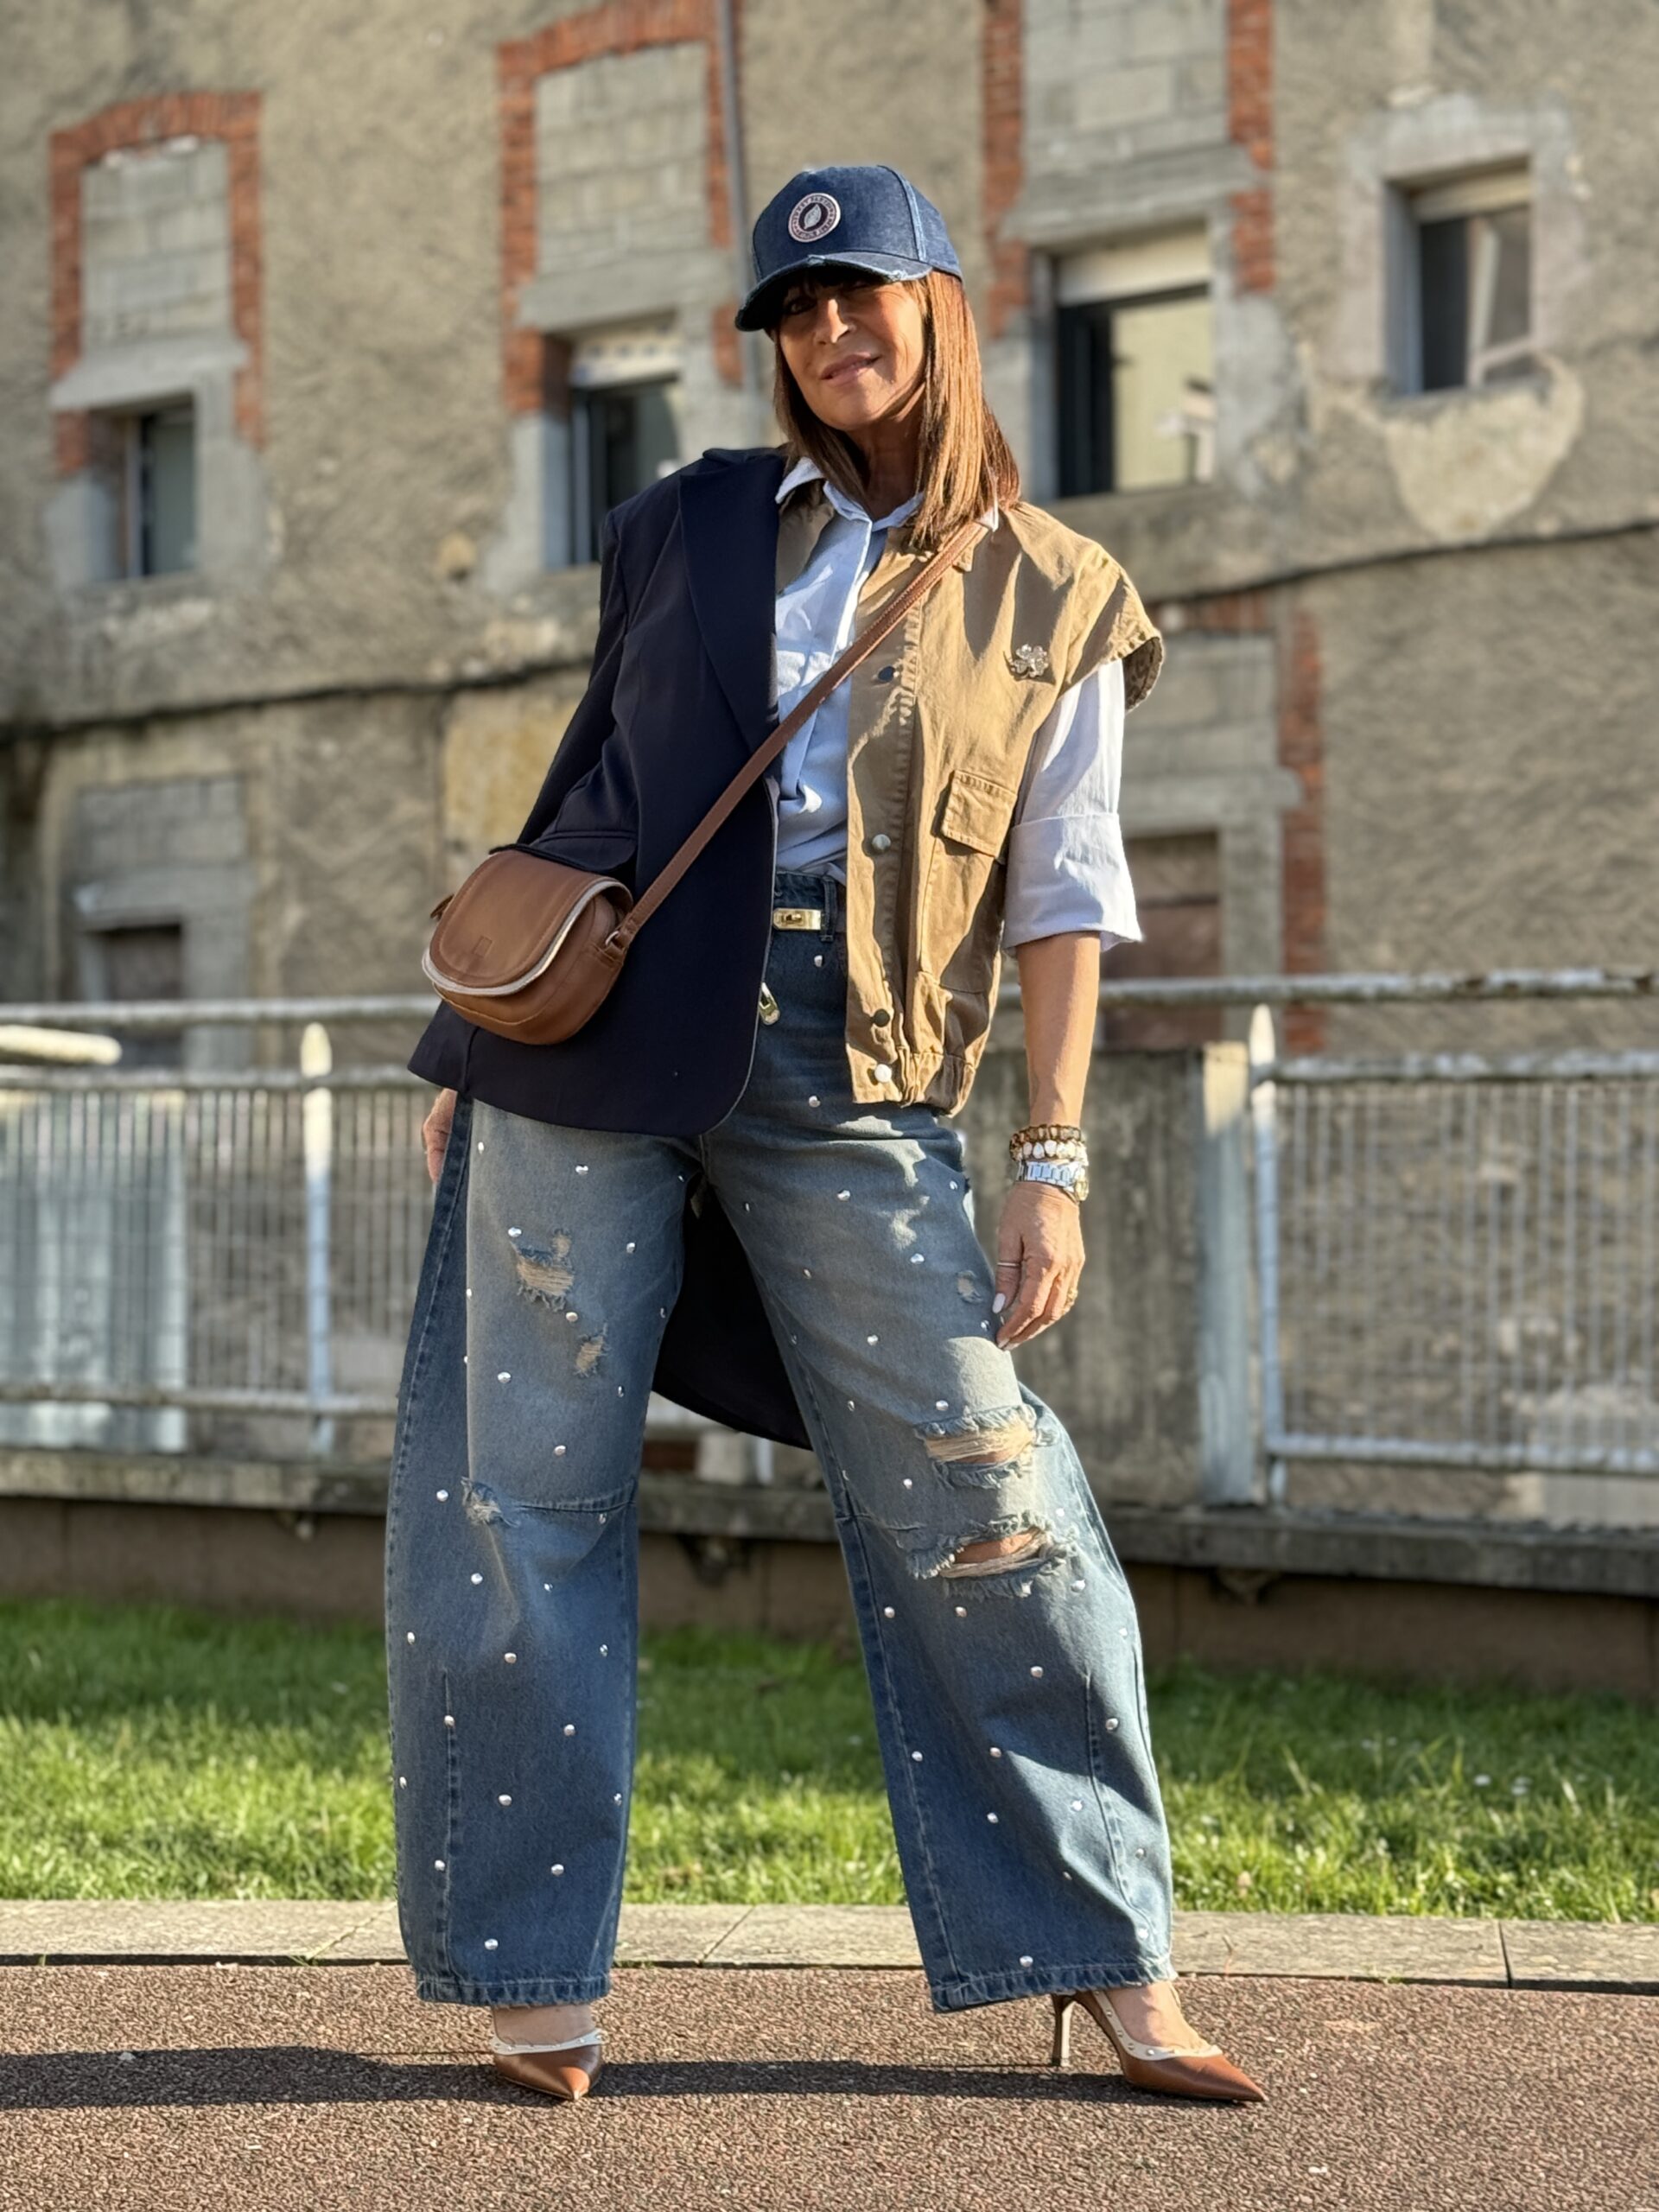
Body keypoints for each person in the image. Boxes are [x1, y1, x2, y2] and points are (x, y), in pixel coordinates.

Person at [387, 163, 1266, 2107]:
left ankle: (1104, 1950)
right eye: (795, 309)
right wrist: (471, 1048)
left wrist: (1051, 1161)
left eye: (862, 290)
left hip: (856, 1068)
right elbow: (589, 789)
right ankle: (529, 1969)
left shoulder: (1055, 590)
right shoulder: (684, 521)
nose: (829, 330)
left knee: (987, 1487)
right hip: (596, 1049)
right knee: (523, 1497)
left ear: (941, 304)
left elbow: (1066, 899)